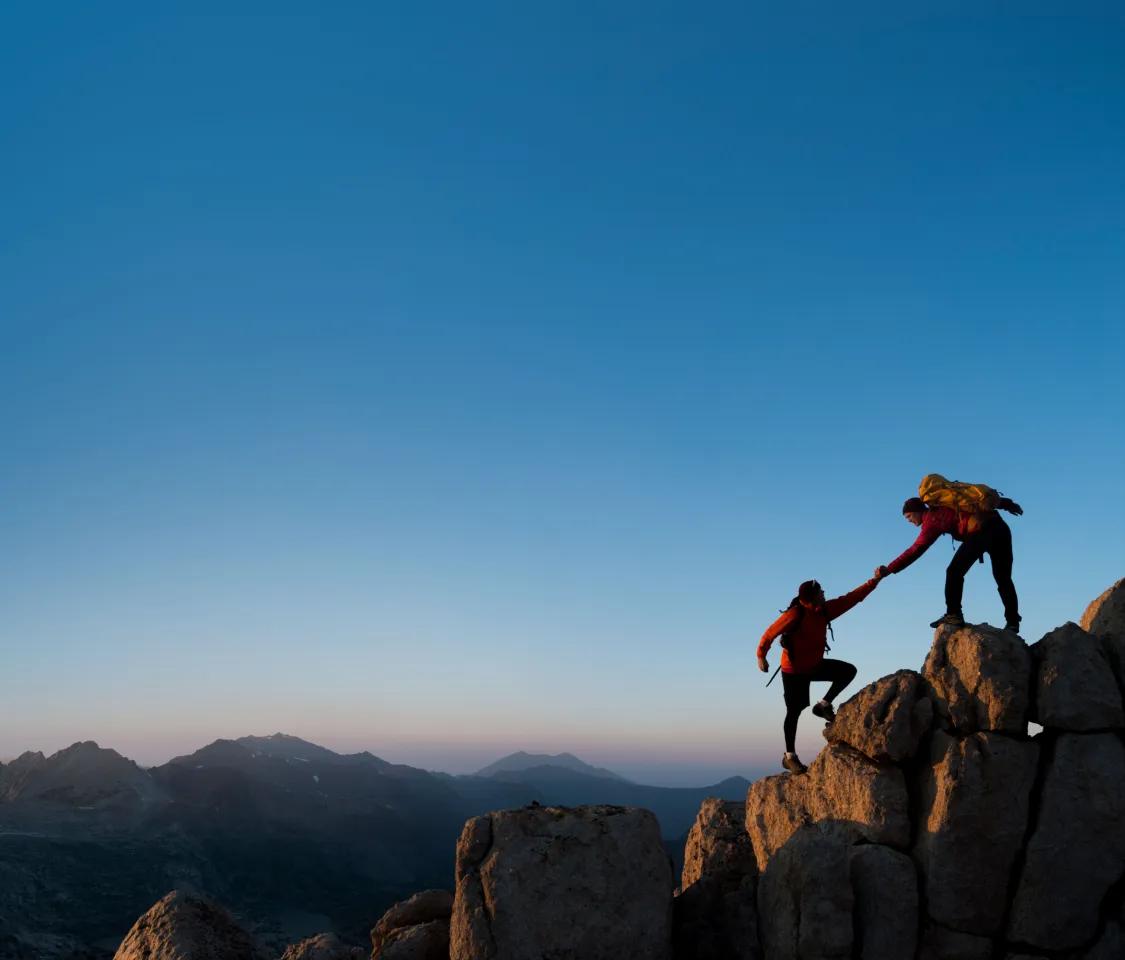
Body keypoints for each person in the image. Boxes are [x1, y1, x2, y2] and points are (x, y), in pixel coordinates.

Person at [757, 572, 883, 773]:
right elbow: (769, 633)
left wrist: (874, 581)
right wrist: (761, 657)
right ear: (812, 597)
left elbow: (851, 599)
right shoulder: (795, 615)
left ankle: (823, 706)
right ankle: (789, 757)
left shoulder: (823, 611)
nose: (824, 593)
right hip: (794, 671)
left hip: (814, 665)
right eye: (821, 591)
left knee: (847, 671)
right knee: (794, 711)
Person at [881, 495, 1023, 632]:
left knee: (954, 572)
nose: (909, 521)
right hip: (1000, 528)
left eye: (909, 516)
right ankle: (1013, 622)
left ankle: (953, 614)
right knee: (1003, 578)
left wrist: (889, 568)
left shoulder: (932, 519)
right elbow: (979, 500)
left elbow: (915, 550)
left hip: (981, 532)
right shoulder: (946, 503)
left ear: (918, 511)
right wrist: (1008, 505)